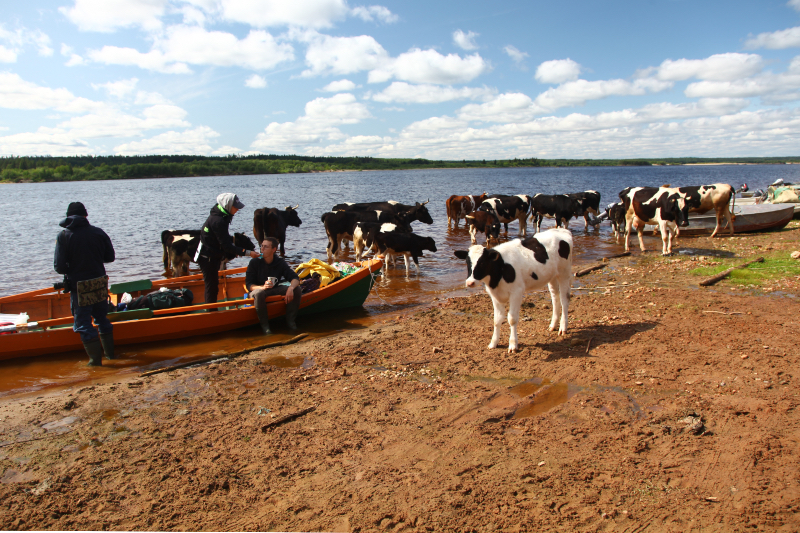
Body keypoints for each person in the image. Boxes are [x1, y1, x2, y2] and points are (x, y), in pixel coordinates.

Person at [54, 202, 116, 366]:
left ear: (68, 217)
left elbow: (59, 267)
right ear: (85, 215)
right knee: (102, 319)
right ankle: (111, 356)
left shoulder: (64, 236)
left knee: (83, 324)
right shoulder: (99, 232)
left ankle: (95, 363)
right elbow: (110, 257)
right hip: (99, 283)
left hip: (80, 287)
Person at [196, 193, 260, 308]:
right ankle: (211, 312)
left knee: (212, 285)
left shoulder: (221, 214)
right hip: (207, 257)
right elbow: (227, 246)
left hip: (211, 254)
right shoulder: (218, 221)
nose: (237, 209)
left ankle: (211, 309)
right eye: (235, 207)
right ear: (227, 205)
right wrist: (248, 253)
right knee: (212, 287)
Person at [245, 237, 302, 334]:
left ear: (274, 249)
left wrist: (291, 288)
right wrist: (262, 287)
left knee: (297, 289)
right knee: (259, 293)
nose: (262, 249)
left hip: (274, 289)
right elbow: (249, 285)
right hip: (257, 291)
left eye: (266, 247)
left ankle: (291, 322)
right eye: (262, 246)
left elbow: (295, 278)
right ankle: (265, 327)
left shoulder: (279, 262)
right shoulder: (255, 262)